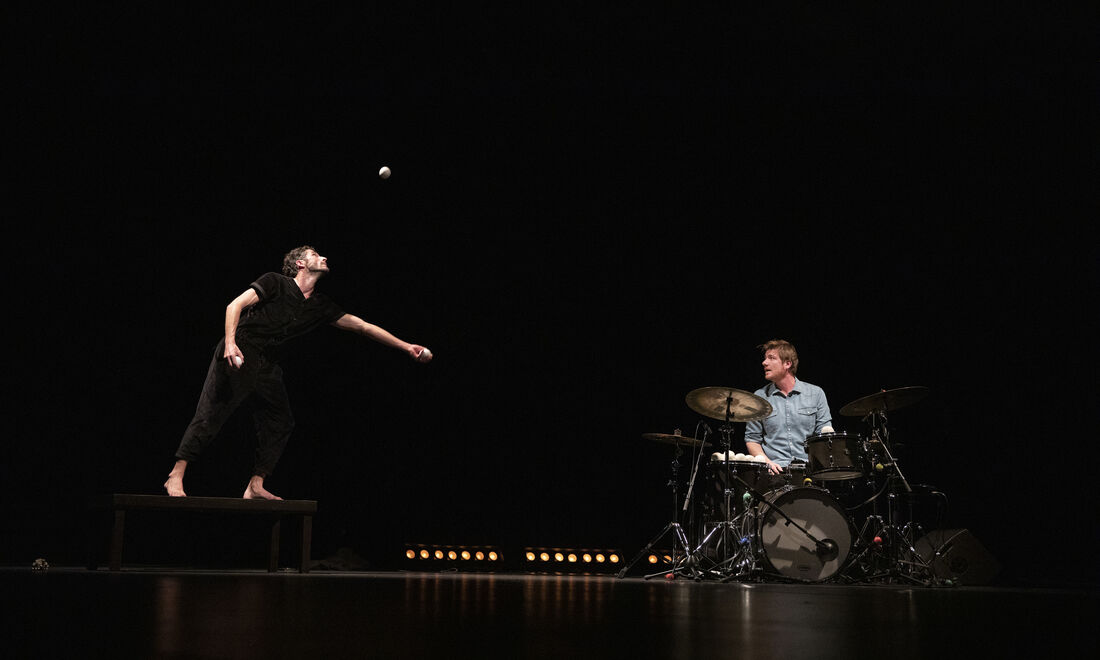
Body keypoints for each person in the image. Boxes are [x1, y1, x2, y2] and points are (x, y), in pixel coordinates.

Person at [163, 246, 432, 500]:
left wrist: (406, 346)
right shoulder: (275, 282)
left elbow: (362, 326)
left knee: (281, 420)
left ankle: (255, 484)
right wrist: (230, 344)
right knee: (213, 412)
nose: (323, 257)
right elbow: (234, 306)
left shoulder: (320, 305)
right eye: (315, 254)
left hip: (268, 364)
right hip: (241, 350)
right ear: (300, 263)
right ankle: (176, 474)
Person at [744, 339, 833, 476]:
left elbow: (825, 435)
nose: (764, 362)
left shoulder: (815, 393)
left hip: (809, 470)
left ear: (787, 363)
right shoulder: (759, 397)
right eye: (765, 358)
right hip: (775, 471)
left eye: (771, 358)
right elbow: (752, 439)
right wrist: (767, 463)